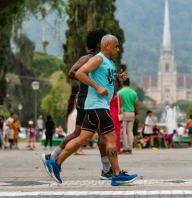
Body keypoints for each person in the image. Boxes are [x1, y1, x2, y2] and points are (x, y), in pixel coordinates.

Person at [44, 34, 138, 186]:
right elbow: (79, 73)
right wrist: (97, 87)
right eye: (116, 46)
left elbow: (106, 81)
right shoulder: (98, 59)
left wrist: (118, 79)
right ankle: (116, 174)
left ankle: (55, 163)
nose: (118, 49)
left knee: (83, 138)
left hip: (97, 105)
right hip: (97, 105)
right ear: (106, 45)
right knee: (111, 138)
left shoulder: (109, 62)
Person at [42, 29, 113, 180]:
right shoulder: (89, 58)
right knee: (99, 135)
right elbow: (72, 72)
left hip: (91, 99)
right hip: (88, 98)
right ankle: (107, 169)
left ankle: (53, 157)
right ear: (98, 44)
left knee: (81, 135)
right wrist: (92, 83)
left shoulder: (101, 59)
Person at [118, 78, 139, 154]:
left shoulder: (119, 92)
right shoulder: (133, 93)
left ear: (123, 83)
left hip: (124, 113)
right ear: (129, 83)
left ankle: (125, 148)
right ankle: (130, 147)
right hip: (132, 113)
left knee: (124, 131)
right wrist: (137, 114)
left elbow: (118, 104)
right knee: (130, 131)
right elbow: (136, 105)